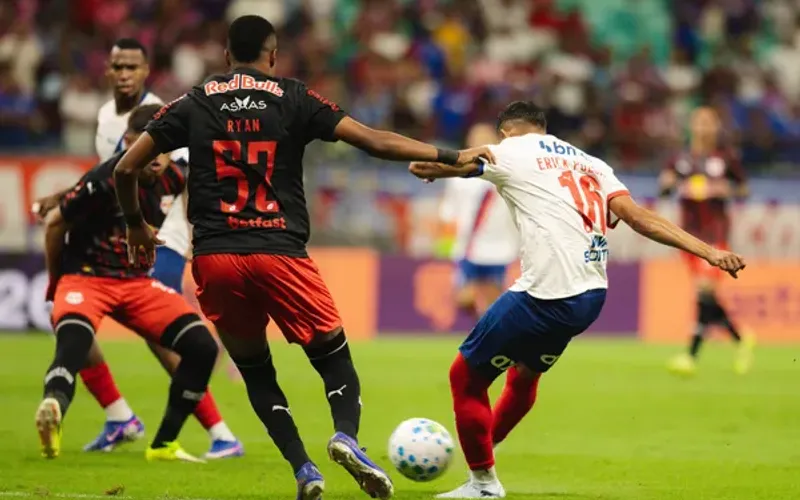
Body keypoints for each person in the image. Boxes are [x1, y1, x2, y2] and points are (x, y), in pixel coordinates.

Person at [111, 15, 493, 500]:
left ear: (226, 56)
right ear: (273, 55)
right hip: (279, 251)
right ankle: (345, 437)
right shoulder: (293, 97)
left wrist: (135, 226)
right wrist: (450, 155)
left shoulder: (194, 101)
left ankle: (303, 469)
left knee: (255, 370)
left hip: (216, 256)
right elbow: (373, 140)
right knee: (334, 358)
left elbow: (126, 169)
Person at [408, 101, 746, 498]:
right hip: (589, 297)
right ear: (543, 127)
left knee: (464, 377)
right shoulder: (591, 163)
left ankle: (483, 482)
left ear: (506, 132)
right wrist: (709, 251)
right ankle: (485, 450)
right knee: (525, 375)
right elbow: (639, 218)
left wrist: (434, 166)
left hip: (545, 294)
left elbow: (464, 160)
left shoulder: (512, 150)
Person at [33, 38, 242, 459]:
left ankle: (216, 431)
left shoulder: (159, 117)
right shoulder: (106, 117)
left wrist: (199, 236)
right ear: (108, 71)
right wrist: (62, 199)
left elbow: (182, 174)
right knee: (75, 324)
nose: (125, 74)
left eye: (133, 67)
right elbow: (104, 177)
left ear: (147, 71)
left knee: (166, 339)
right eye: (119, 67)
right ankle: (119, 416)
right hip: (113, 244)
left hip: (165, 234)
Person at [660, 107, 755, 376]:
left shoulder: (725, 158)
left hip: (716, 235)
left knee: (704, 289)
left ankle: (690, 356)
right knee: (706, 294)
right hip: (688, 237)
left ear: (716, 127)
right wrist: (673, 185)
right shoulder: (680, 159)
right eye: (699, 122)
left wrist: (724, 188)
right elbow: (664, 187)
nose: (703, 128)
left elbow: (744, 189)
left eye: (708, 123)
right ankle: (740, 338)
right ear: (692, 126)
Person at [438, 124, 518, 318]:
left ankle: (489, 329)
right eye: (476, 136)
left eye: (485, 136)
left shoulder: (506, 171)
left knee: (495, 303)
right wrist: (445, 243)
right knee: (462, 298)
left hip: (499, 248)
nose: (480, 140)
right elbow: (448, 212)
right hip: (469, 246)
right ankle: (483, 323)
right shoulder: (457, 175)